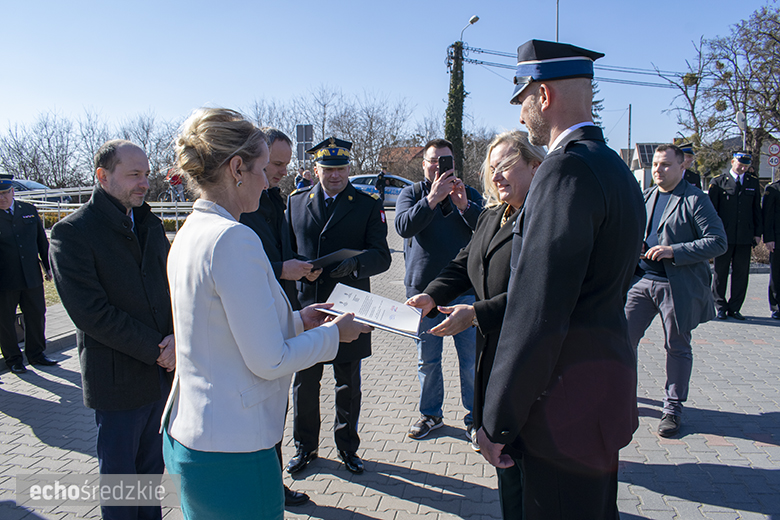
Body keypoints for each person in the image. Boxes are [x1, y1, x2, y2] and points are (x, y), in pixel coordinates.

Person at [162, 109, 369, 520]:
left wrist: (298, 321)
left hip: (196, 433)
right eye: (261, 168)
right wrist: (335, 334)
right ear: (237, 168)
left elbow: (223, 329)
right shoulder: (233, 238)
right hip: (233, 446)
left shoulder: (193, 230)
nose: (267, 179)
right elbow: (270, 359)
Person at [476, 39, 645, 520]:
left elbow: (537, 311)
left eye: (523, 97)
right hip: (599, 397)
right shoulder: (613, 167)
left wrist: (497, 420)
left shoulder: (564, 170)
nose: (522, 112)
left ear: (543, 97)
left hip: (559, 411)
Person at [407, 130, 544, 518]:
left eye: (506, 166)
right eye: (492, 167)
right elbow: (464, 264)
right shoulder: (493, 215)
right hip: (496, 356)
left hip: (527, 357)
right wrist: (433, 294)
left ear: (535, 166)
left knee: (527, 467)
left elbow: (537, 292)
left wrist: (476, 314)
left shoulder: (543, 218)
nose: (497, 176)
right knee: (507, 467)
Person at [50, 140, 176, 520]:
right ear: (103, 176)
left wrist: (175, 336)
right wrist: (157, 348)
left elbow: (169, 285)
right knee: (122, 484)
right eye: (134, 175)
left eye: (147, 174)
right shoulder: (72, 233)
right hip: (118, 382)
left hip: (161, 377)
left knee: (151, 477)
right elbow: (91, 313)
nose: (144, 183)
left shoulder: (150, 224)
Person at [286, 137, 391, 475]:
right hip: (308, 306)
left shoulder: (365, 203)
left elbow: (383, 256)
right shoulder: (296, 203)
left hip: (350, 306)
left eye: (341, 169)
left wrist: (358, 265)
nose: (335, 176)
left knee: (348, 383)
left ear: (349, 168)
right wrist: (299, 266)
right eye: (328, 169)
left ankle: (348, 447)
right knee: (305, 382)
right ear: (316, 169)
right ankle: (306, 447)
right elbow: (285, 252)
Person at [239, 128, 318, 507]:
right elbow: (241, 264)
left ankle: (273, 483)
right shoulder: (239, 206)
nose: (283, 171)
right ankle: (263, 488)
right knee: (259, 413)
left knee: (275, 411)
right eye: (276, 164)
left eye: (287, 164)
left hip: (281, 315)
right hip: (255, 322)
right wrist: (281, 268)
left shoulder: (275, 199)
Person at [625, 144, 727, 438]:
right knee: (622, 341)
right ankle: (624, 398)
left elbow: (718, 242)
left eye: (666, 165)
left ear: (682, 167)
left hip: (676, 287)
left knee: (677, 347)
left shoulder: (695, 199)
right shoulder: (648, 196)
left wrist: (674, 251)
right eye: (656, 164)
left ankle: (672, 408)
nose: (659, 169)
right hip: (643, 282)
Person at [395, 138, 484, 445]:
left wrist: (463, 206)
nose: (438, 167)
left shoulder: (468, 194)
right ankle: (431, 415)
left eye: (444, 161)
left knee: (471, 360)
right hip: (423, 294)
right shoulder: (413, 193)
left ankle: (475, 419)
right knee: (427, 361)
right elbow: (404, 227)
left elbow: (487, 230)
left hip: (464, 292)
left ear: (453, 165)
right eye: (433, 161)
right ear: (424, 165)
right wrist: (432, 199)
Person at [0, 174, 57, 374]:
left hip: (31, 276)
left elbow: (42, 241)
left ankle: (36, 354)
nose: (2, 198)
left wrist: (49, 267)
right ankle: (14, 359)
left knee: (36, 315)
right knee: (5, 321)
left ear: (13, 191)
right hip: (5, 280)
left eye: (5, 193)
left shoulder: (28, 210)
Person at [708, 151, 763, 320]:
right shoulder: (718, 182)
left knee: (741, 274)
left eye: (746, 165)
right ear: (732, 162)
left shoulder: (752, 182)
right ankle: (720, 306)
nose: (743, 167)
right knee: (720, 273)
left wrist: (757, 233)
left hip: (745, 236)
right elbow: (712, 211)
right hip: (723, 236)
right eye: (740, 164)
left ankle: (735, 307)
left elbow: (756, 210)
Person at [762, 177, 780, 319]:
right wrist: (768, 238)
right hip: (778, 239)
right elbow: (767, 215)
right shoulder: (774, 189)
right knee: (777, 274)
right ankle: (776, 307)